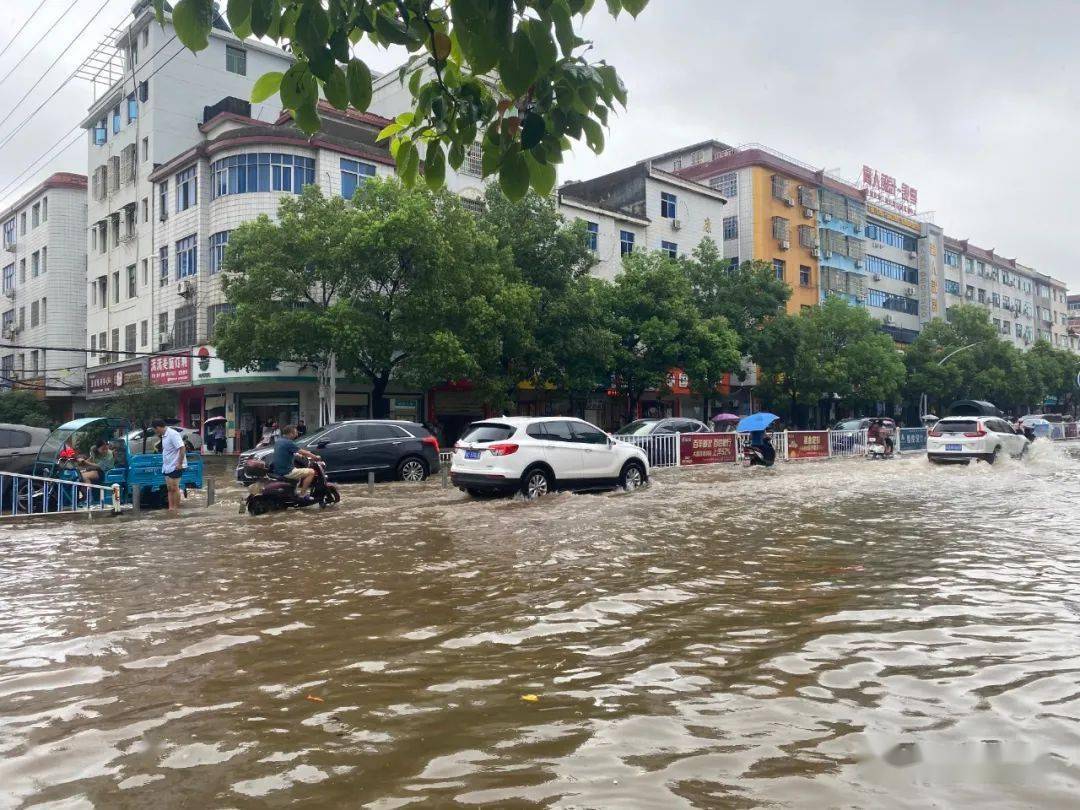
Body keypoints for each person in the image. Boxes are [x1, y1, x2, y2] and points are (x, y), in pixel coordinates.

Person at [271, 424, 321, 497]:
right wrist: (315, 457)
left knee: (299, 474)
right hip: (287, 471)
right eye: (295, 432)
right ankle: (302, 495)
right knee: (311, 472)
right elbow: (303, 451)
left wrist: (297, 455)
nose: (297, 434)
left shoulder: (279, 441)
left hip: (279, 470)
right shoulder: (289, 443)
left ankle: (293, 493)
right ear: (290, 433)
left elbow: (285, 452)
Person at [154, 418, 186, 512]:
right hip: (167, 466)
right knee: (169, 488)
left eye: (155, 429)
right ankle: (170, 508)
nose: (155, 432)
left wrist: (179, 463)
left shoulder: (173, 434)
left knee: (175, 487)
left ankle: (176, 509)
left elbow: (182, 448)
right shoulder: (164, 436)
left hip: (176, 465)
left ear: (158, 428)